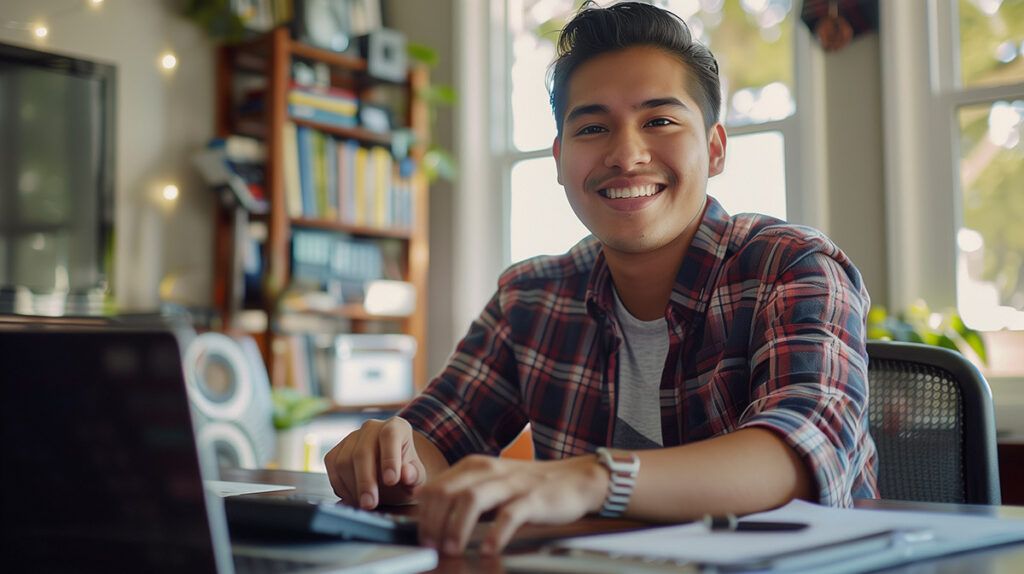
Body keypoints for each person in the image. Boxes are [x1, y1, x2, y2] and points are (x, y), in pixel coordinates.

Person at [324, 1, 878, 557]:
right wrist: (391, 456)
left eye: (659, 120)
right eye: (593, 128)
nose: (626, 154)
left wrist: (591, 479)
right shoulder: (530, 299)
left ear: (714, 148)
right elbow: (438, 439)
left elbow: (802, 453)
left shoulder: (792, 266)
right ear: (562, 159)